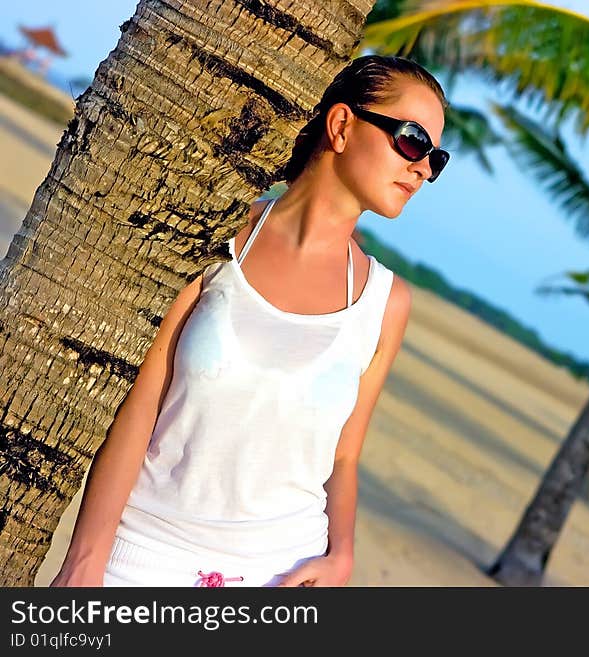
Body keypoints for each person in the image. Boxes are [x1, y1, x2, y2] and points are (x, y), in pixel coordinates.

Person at [50, 55, 449, 587]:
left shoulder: (386, 302)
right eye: (412, 140)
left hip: (282, 572)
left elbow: (346, 455)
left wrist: (342, 556)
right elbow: (142, 406)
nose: (423, 168)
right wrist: (83, 563)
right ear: (342, 125)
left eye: (436, 158)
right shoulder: (216, 236)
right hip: (141, 557)